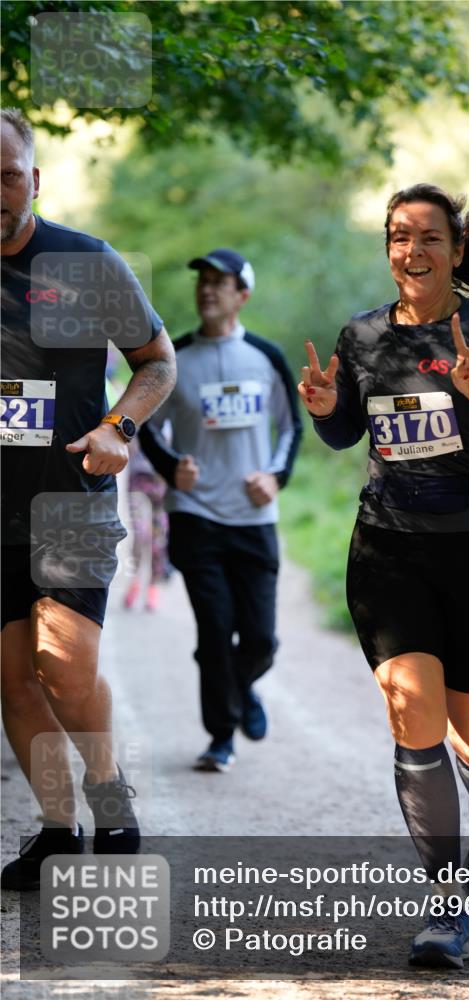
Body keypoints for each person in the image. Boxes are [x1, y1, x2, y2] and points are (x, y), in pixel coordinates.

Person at [299, 183, 469, 968]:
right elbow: (347, 432)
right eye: (398, 236)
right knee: (411, 710)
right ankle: (446, 905)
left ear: (454, 250)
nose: (412, 251)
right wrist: (322, 405)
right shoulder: (364, 335)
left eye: (429, 238)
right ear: (388, 247)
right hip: (389, 551)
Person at [0, 108, 176, 890]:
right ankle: (55, 831)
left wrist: (121, 426)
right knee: (11, 678)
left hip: (70, 497)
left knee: (63, 670)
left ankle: (111, 802)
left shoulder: (86, 262)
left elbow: (156, 360)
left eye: (6, 175)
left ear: (34, 180)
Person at [139, 248, 302, 772]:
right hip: (195, 515)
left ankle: (242, 683)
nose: (207, 290)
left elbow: (290, 427)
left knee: (260, 639)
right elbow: (145, 425)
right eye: (202, 281)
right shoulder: (173, 358)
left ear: (243, 295)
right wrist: (171, 469)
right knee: (214, 628)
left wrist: (275, 477)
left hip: (254, 518)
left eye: (220, 282)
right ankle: (220, 737)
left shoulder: (268, 357)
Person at [123, 435, 171, 613]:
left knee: (158, 540)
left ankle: (153, 585)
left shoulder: (171, 411)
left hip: (162, 481)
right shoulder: (136, 411)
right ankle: (135, 579)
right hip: (138, 480)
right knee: (139, 534)